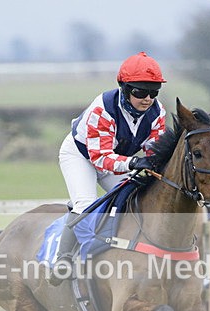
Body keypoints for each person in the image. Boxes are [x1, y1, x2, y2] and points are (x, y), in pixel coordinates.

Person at [53, 52, 167, 280]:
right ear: (124, 88)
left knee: (135, 197)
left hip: (116, 158)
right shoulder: (102, 110)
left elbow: (155, 150)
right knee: (86, 205)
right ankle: (63, 258)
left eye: (154, 92)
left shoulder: (157, 113)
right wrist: (134, 162)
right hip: (82, 156)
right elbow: (101, 159)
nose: (147, 99)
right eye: (140, 91)